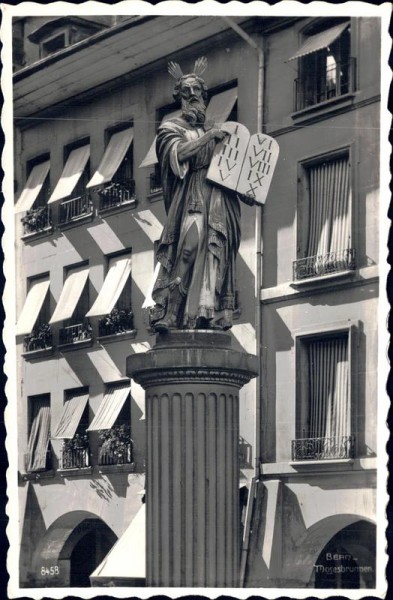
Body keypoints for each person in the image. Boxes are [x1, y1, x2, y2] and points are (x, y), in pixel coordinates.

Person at [150, 58, 251, 332]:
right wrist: (209, 137)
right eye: (187, 92)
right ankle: (171, 314)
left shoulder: (216, 129)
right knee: (187, 249)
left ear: (205, 96)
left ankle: (212, 313)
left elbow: (233, 168)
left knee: (216, 254)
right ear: (180, 97)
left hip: (220, 198)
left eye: (197, 92)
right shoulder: (170, 127)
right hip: (193, 193)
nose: (193, 97)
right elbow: (178, 154)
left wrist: (249, 191)